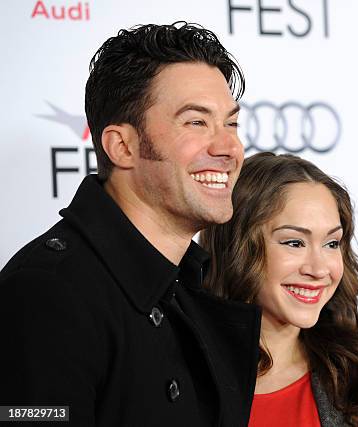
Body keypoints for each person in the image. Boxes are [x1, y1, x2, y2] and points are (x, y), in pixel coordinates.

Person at [0, 22, 260, 426]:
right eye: (196, 122)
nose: (229, 148)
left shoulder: (190, 286)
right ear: (123, 146)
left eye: (230, 124)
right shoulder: (47, 294)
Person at [201, 152, 358, 427]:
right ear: (237, 249)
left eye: (331, 243)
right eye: (294, 243)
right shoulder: (178, 378)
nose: (318, 269)